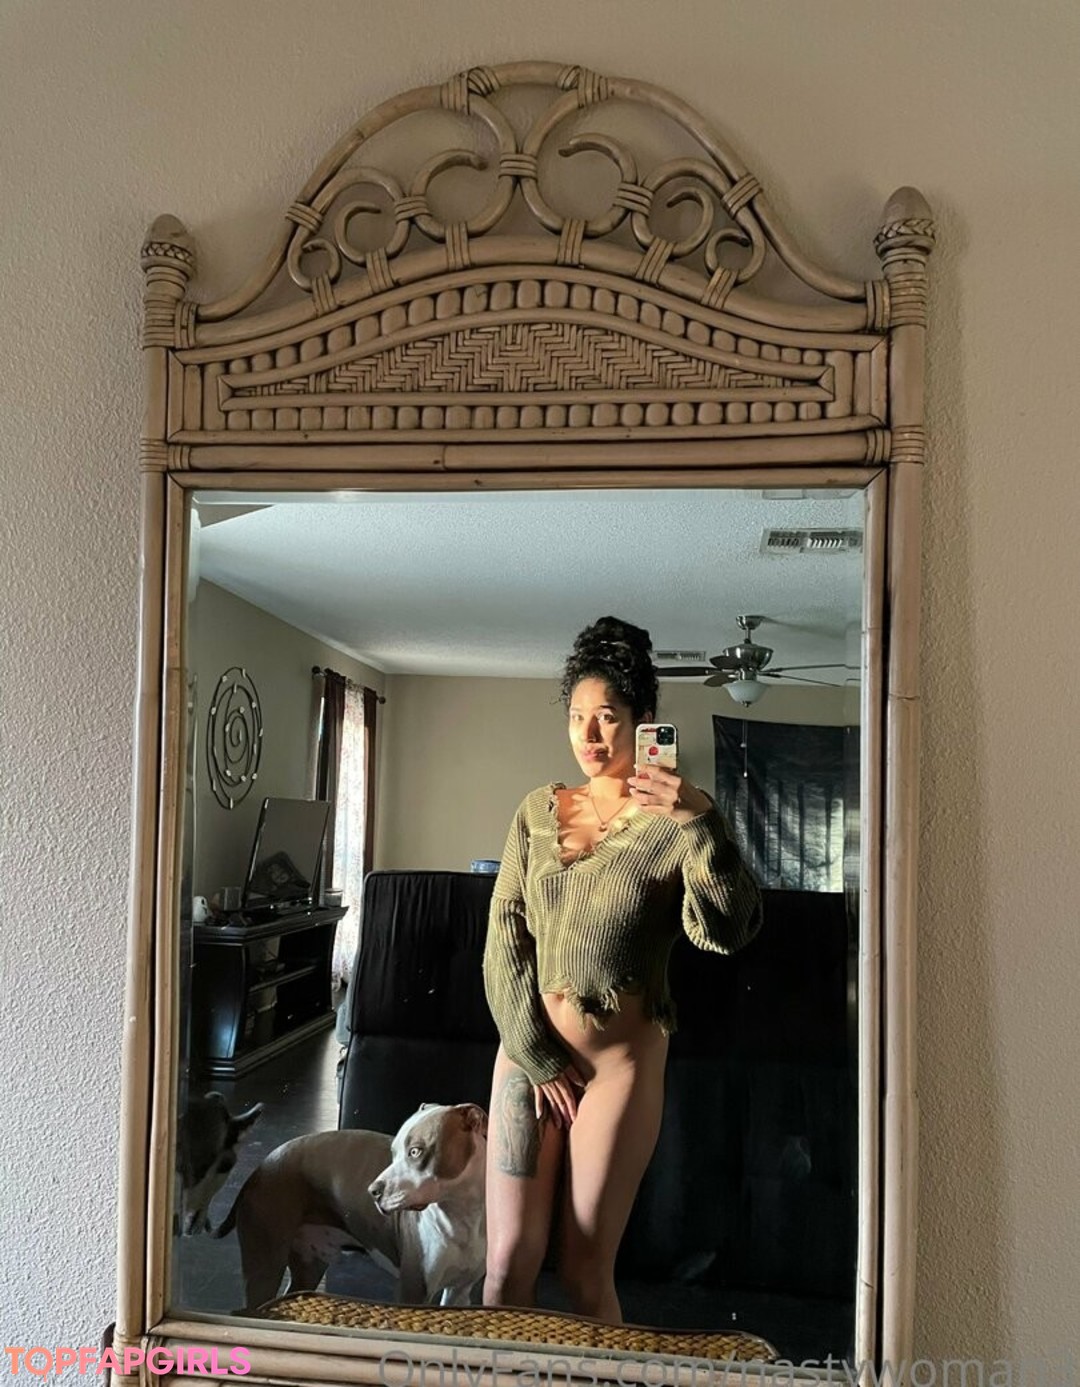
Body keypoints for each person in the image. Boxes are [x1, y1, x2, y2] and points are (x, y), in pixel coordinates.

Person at [481, 615, 762, 1324]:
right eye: (578, 716)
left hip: (620, 1069)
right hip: (528, 1055)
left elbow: (728, 930)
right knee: (506, 1266)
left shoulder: (678, 821)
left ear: (642, 723)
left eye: (608, 716)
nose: (590, 734)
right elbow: (504, 936)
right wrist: (536, 1052)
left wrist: (702, 822)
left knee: (584, 1273)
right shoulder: (535, 812)